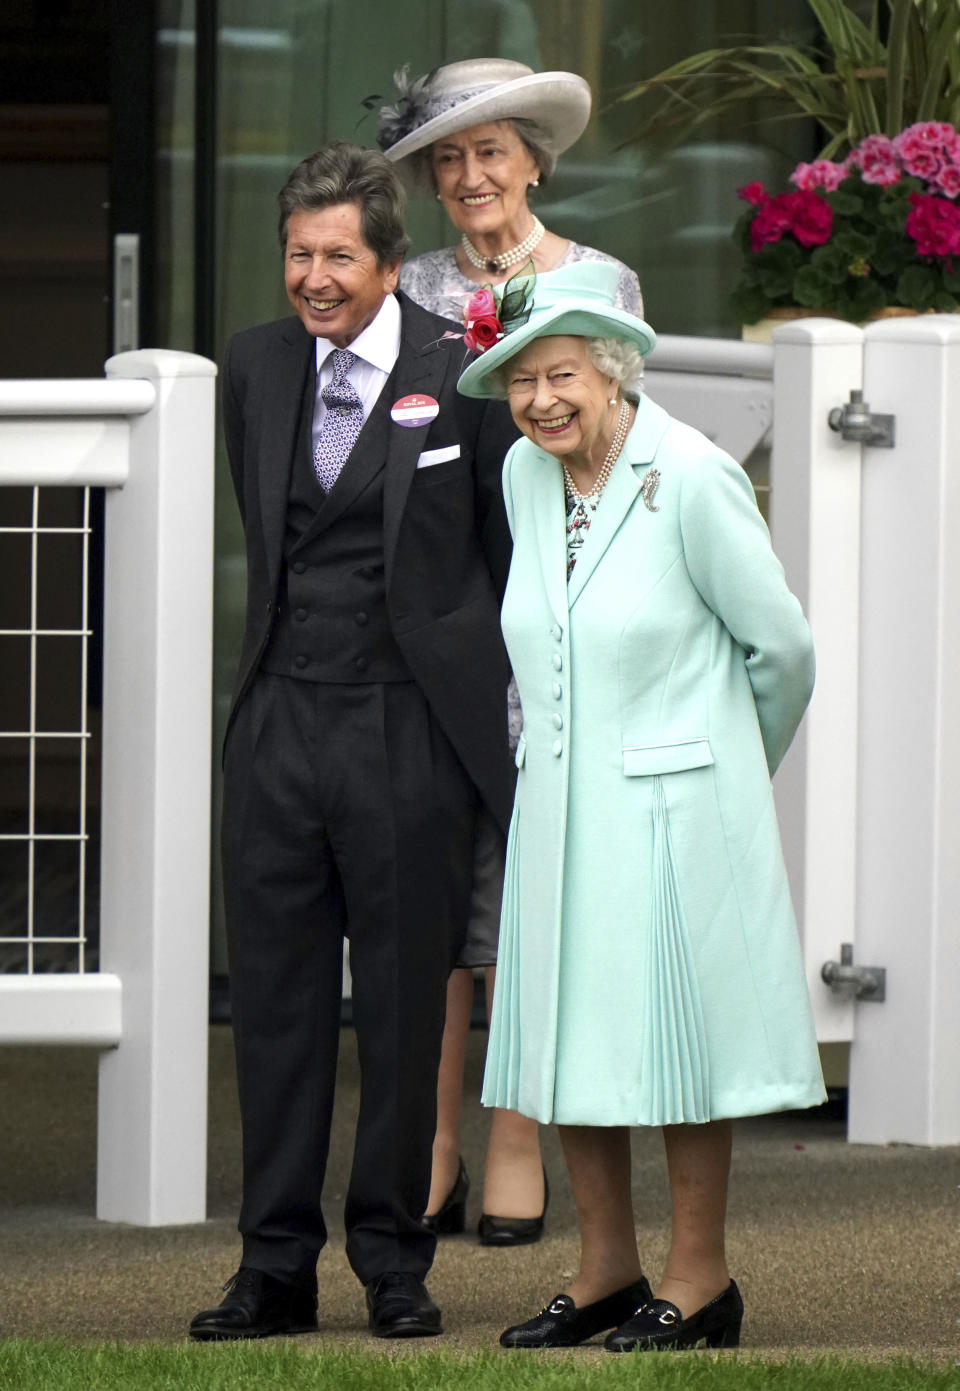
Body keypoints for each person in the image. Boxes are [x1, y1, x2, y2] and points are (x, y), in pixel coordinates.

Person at [456, 261, 826, 1352]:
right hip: (557, 804)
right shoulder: (528, 475)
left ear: (613, 372)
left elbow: (785, 650)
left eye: (559, 374)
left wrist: (720, 767)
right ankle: (606, 1268)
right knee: (570, 1035)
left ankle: (700, 1279)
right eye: (520, 380)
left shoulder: (695, 474)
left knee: (680, 1044)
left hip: (678, 812)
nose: (539, 401)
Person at [189, 141, 516, 1343]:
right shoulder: (256, 365)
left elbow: (495, 553)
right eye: (298, 253)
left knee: (397, 1004)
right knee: (272, 1006)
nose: (314, 278)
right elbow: (266, 528)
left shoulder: (463, 375)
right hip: (277, 718)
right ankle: (272, 1266)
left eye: (338, 256)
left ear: (389, 264)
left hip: (404, 727)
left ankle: (393, 1259)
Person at [378, 56, 644, 1248]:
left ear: (536, 158)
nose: (471, 174)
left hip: (558, 599)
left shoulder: (597, 279)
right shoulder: (411, 285)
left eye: (493, 150)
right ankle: (430, 1138)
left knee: (533, 878)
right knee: (433, 876)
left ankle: (519, 1130)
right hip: (437, 618)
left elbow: (628, 455)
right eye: (449, 157)